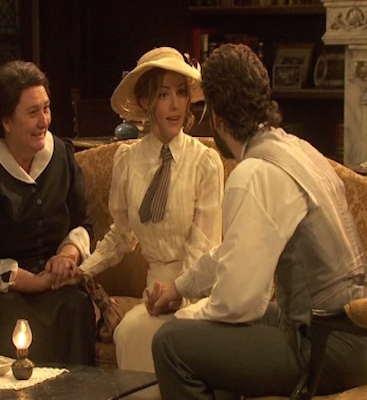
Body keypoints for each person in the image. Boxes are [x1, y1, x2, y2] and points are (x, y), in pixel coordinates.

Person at [148, 43, 367, 399]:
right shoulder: (298, 149)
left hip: (322, 350)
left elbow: (238, 303)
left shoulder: (254, 172)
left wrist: (188, 317)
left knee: (170, 343)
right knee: (216, 336)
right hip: (353, 338)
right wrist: (181, 288)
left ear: (216, 116)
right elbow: (240, 250)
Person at [63, 47, 224, 377]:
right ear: (146, 102)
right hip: (154, 296)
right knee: (130, 332)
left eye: (181, 93)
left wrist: (179, 294)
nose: (176, 104)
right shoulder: (128, 160)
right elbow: (122, 235)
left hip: (196, 294)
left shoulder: (205, 162)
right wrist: (84, 270)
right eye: (164, 94)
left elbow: (205, 247)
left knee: (159, 335)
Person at [0, 60, 96, 366]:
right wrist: (37, 282)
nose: (44, 121)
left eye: (46, 109)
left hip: (52, 288)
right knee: (12, 316)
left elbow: (83, 224)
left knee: (75, 305)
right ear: (7, 121)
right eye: (32, 112)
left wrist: (66, 257)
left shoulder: (61, 156)